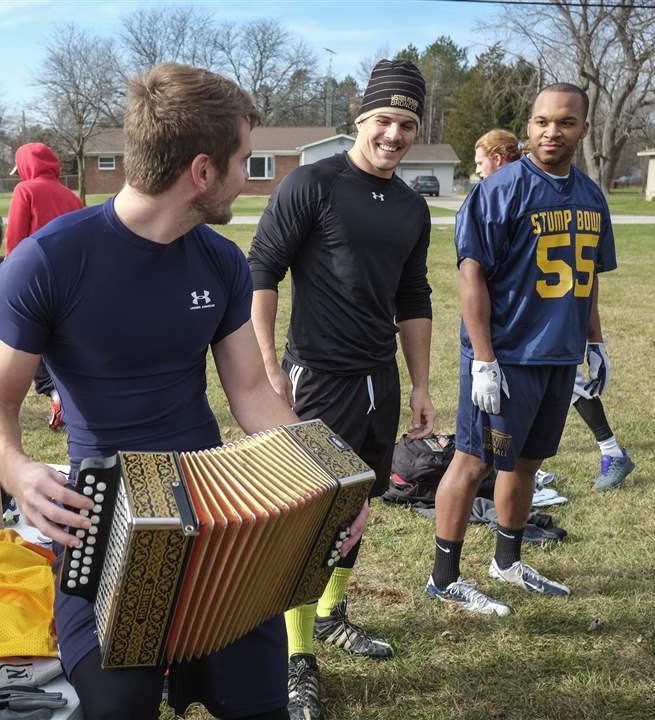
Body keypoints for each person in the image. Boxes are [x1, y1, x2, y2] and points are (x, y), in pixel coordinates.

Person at [0, 62, 369, 720]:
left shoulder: (221, 262)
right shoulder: (46, 262)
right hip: (104, 530)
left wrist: (332, 481)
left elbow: (253, 394)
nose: (249, 177)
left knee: (260, 707)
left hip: (221, 527)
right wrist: (17, 471)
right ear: (203, 172)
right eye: (244, 161)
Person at [248, 58, 435, 720]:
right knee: (311, 517)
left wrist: (419, 384)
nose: (394, 135)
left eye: (407, 123)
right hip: (317, 376)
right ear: (361, 119)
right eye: (384, 119)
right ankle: (299, 658)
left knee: (358, 504)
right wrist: (269, 368)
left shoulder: (413, 207)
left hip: (379, 379)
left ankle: (332, 612)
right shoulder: (311, 184)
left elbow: (414, 296)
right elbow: (262, 272)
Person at [425, 84, 618, 617]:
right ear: (528, 126)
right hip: (505, 357)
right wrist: (483, 357)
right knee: (472, 461)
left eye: (564, 122)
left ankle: (506, 560)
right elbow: (471, 278)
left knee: (528, 463)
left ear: (581, 127)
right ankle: (444, 577)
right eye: (540, 121)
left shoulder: (591, 195)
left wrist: (594, 343)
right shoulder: (500, 189)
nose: (551, 132)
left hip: (557, 357)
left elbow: (588, 279)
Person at [474, 129, 634, 491]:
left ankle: (608, 450)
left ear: (498, 160)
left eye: (480, 162)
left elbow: (585, 274)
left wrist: (595, 340)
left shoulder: (525, 191)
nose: (479, 171)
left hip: (538, 329)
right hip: (544, 329)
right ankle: (608, 450)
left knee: (555, 395)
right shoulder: (521, 191)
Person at [5, 142, 84, 431]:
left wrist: (9, 279)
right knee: (61, 341)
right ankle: (74, 398)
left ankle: (55, 394)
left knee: (32, 340)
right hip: (74, 281)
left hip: (36, 278)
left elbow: (15, 241)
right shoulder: (71, 196)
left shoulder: (25, 191)